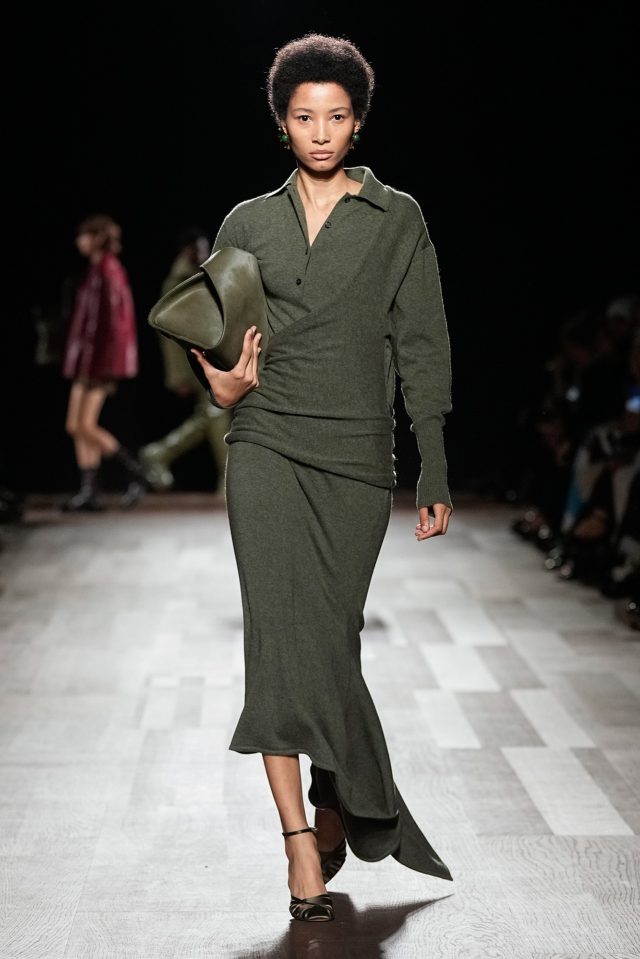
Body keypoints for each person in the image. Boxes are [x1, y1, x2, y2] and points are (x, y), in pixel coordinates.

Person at [191, 33, 454, 923]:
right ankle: (299, 841)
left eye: (336, 116)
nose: (320, 131)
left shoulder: (397, 218)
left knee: (331, 641)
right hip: (265, 442)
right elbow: (216, 334)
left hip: (355, 456)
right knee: (276, 637)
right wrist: (220, 385)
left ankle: (341, 789)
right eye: (304, 117)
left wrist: (433, 461)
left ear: (358, 122)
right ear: (282, 122)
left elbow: (422, 342)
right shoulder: (246, 223)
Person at [61, 214, 149, 511]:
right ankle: (90, 491)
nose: (79, 241)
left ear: (97, 237)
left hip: (99, 362)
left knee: (84, 425)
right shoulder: (97, 270)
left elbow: (115, 326)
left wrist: (108, 364)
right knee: (75, 425)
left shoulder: (109, 270)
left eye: (84, 235)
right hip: (88, 361)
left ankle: (136, 470)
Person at [138, 228, 232, 495]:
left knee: (211, 417)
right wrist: (178, 374)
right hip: (194, 362)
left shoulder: (198, 276)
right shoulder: (177, 282)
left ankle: (159, 453)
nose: (205, 252)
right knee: (215, 416)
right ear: (187, 251)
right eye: (199, 248)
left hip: (208, 358)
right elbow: (169, 336)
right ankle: (228, 479)